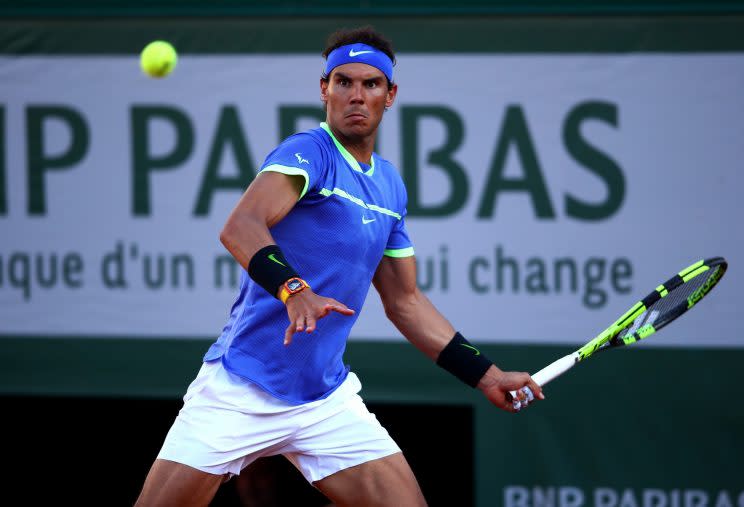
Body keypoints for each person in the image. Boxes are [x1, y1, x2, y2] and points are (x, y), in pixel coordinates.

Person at [135, 25, 543, 507]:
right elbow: (241, 225)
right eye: (343, 82)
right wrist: (294, 290)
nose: (356, 95)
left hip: (324, 399)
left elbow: (405, 302)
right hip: (242, 386)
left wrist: (488, 376)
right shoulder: (310, 151)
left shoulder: (389, 186)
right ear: (324, 89)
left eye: (371, 84)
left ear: (390, 96)